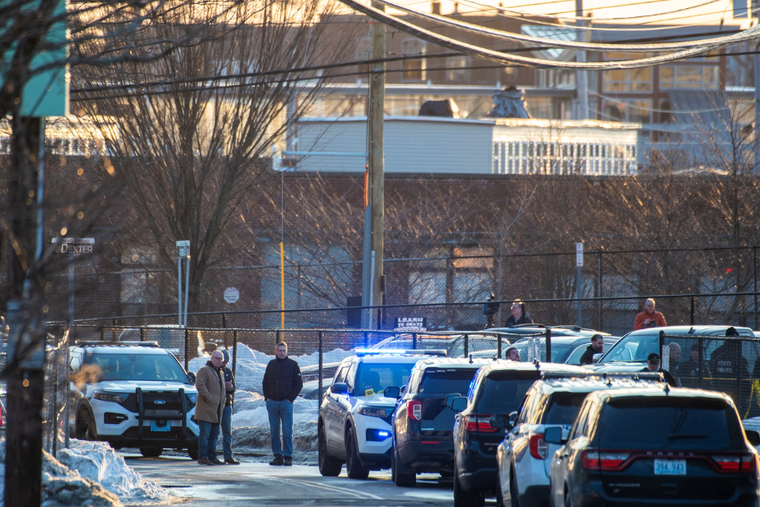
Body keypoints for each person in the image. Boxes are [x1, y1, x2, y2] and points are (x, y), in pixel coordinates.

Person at [262, 342, 303, 467]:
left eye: (284, 350)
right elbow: (265, 382)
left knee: (287, 430)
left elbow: (299, 384)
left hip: (286, 403)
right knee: (274, 430)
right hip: (272, 402)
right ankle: (277, 456)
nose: (282, 353)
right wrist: (267, 397)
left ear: (287, 351)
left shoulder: (293, 365)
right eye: (280, 350)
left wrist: (290, 399)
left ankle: (288, 456)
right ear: (275, 351)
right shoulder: (271, 364)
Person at [195, 350, 226, 466]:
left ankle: (212, 456)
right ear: (211, 358)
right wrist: (209, 398)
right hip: (206, 409)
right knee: (205, 434)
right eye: (217, 358)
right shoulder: (204, 370)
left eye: (221, 359)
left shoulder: (220, 373)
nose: (219, 361)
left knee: (214, 434)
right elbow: (200, 385)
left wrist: (222, 401)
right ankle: (203, 456)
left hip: (217, 410)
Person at [220, 349, 240, 465]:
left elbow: (233, 388)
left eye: (226, 363)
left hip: (227, 404)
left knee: (227, 431)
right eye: (223, 362)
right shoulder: (212, 371)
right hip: (216, 405)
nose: (224, 365)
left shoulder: (228, 371)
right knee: (213, 431)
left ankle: (228, 455)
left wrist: (230, 388)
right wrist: (223, 386)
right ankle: (209, 455)